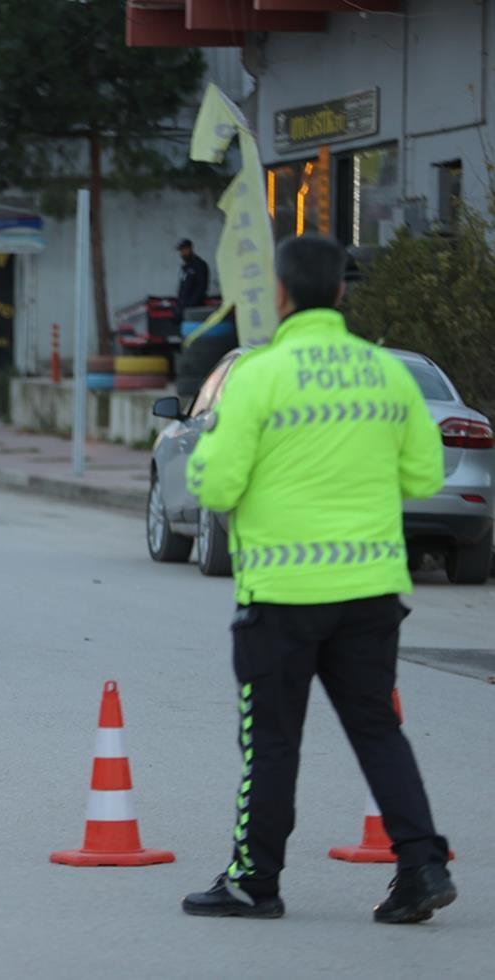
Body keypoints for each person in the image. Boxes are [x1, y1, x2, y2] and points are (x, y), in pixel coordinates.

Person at [180, 235, 454, 924]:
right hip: (370, 593)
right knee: (377, 731)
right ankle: (421, 867)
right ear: (340, 293)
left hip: (282, 596)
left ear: (278, 294)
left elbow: (215, 482)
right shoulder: (386, 374)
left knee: (272, 742)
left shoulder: (260, 375)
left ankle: (255, 882)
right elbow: (425, 475)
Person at [177, 238, 211, 314]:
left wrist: (190, 305)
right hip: (183, 309)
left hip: (195, 309)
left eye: (184, 250)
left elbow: (201, 288)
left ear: (190, 249)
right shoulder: (185, 267)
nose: (182, 253)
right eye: (181, 251)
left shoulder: (200, 265)